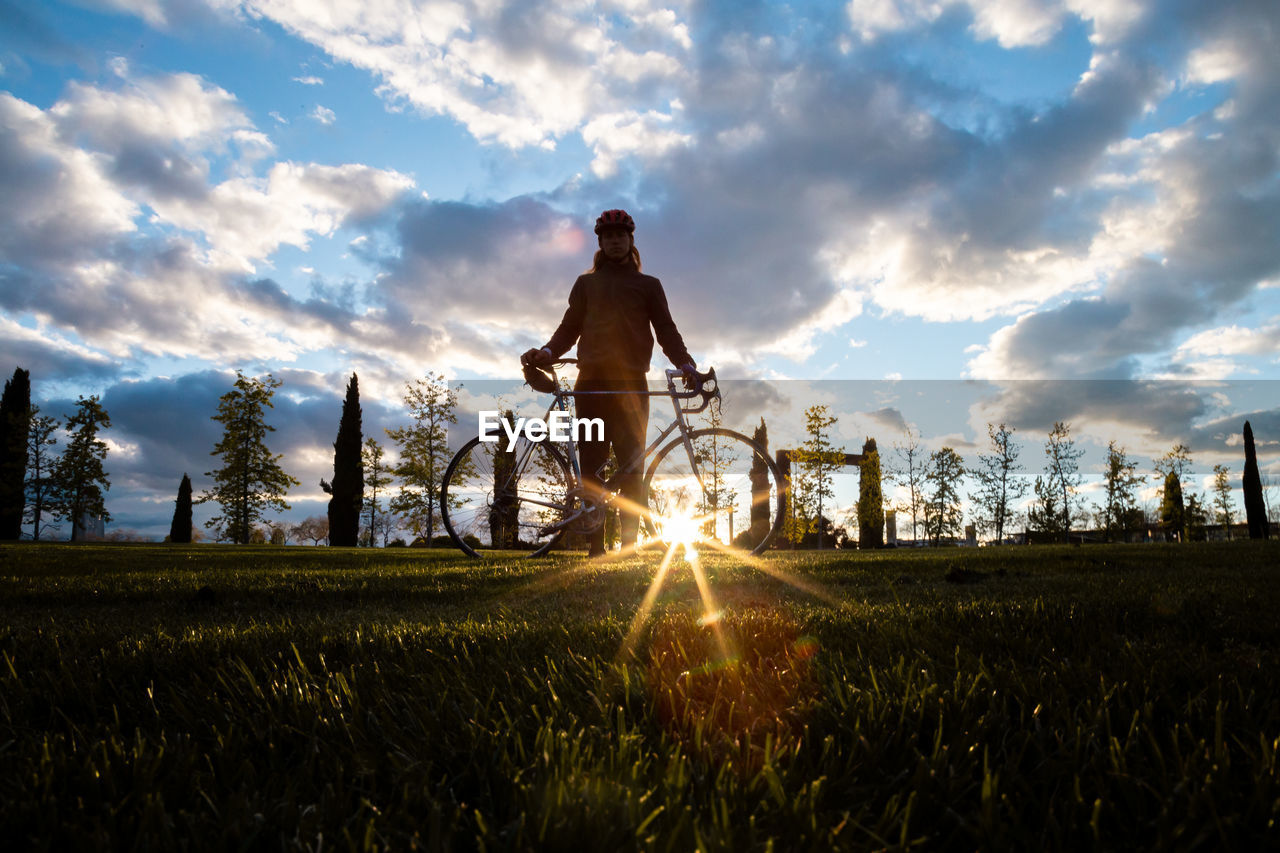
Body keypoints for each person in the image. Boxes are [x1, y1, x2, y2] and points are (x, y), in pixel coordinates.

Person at [522, 209, 696, 557]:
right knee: (593, 465)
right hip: (592, 385)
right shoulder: (586, 284)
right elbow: (569, 327)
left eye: (621, 236)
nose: (615, 241)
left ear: (631, 241)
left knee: (632, 466)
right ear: (600, 242)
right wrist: (547, 350)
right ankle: (596, 548)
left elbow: (666, 331)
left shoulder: (649, 286)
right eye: (609, 236)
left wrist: (685, 363)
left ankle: (629, 547)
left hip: (632, 386)